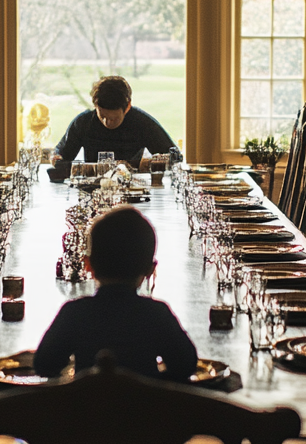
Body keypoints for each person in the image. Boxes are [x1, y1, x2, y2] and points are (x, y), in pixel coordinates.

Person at [34, 206, 198, 381]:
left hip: (85, 406)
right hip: (145, 406)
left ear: (87, 265)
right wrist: (149, 383)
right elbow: (186, 365)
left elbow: (44, 365)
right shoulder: (156, 314)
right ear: (151, 269)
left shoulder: (74, 313)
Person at [51, 75, 177, 170]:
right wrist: (57, 158)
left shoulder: (142, 123)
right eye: (102, 116)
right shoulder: (83, 122)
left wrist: (148, 162)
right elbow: (62, 156)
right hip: (92, 189)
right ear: (95, 106)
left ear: (127, 107)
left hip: (132, 190)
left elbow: (174, 156)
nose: (107, 122)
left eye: (114, 118)